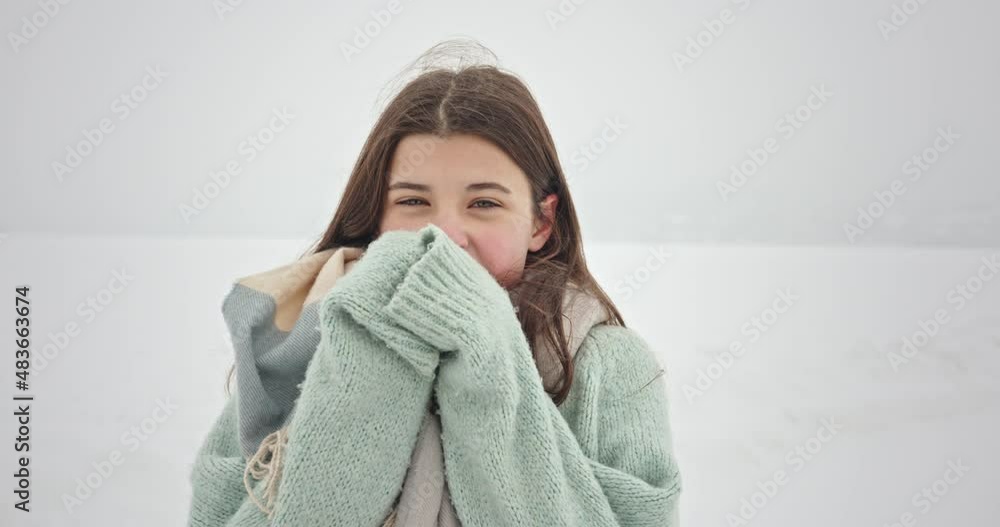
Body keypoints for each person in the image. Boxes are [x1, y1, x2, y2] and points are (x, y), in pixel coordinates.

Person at [188, 40, 682, 526]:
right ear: (377, 218)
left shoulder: (608, 365)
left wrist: (486, 349)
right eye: (413, 202)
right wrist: (371, 357)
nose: (444, 236)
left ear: (540, 222)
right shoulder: (299, 342)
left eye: (484, 203)